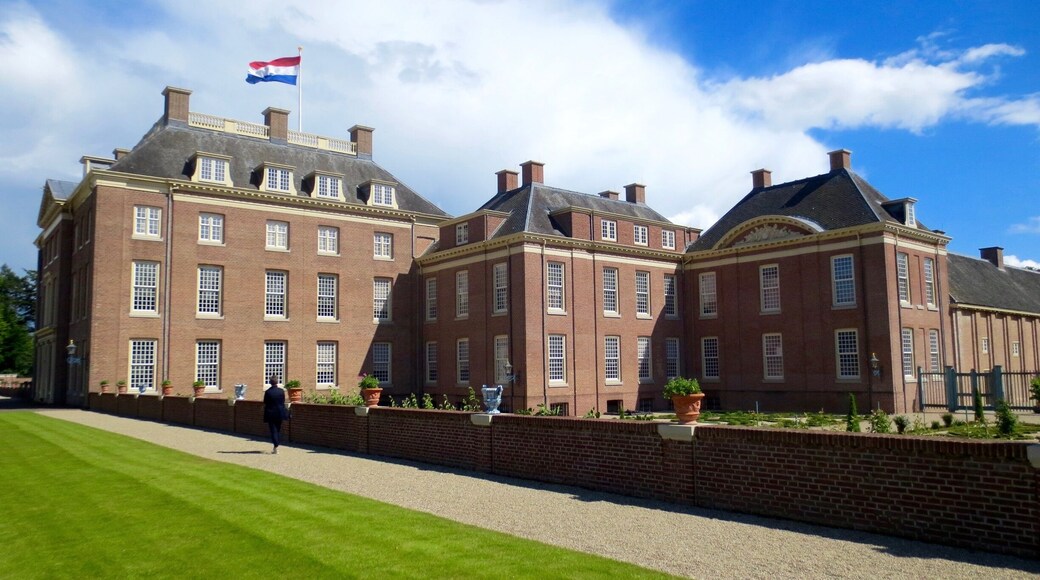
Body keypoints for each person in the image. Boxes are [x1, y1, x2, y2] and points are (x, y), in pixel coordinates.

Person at [262, 375, 289, 454]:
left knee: (273, 430)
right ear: (277, 382)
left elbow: (265, 402)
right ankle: (276, 445)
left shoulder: (268, 392)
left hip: (271, 413)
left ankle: (276, 445)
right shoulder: (281, 391)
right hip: (280, 413)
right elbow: (283, 401)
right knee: (278, 429)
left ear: (270, 382)